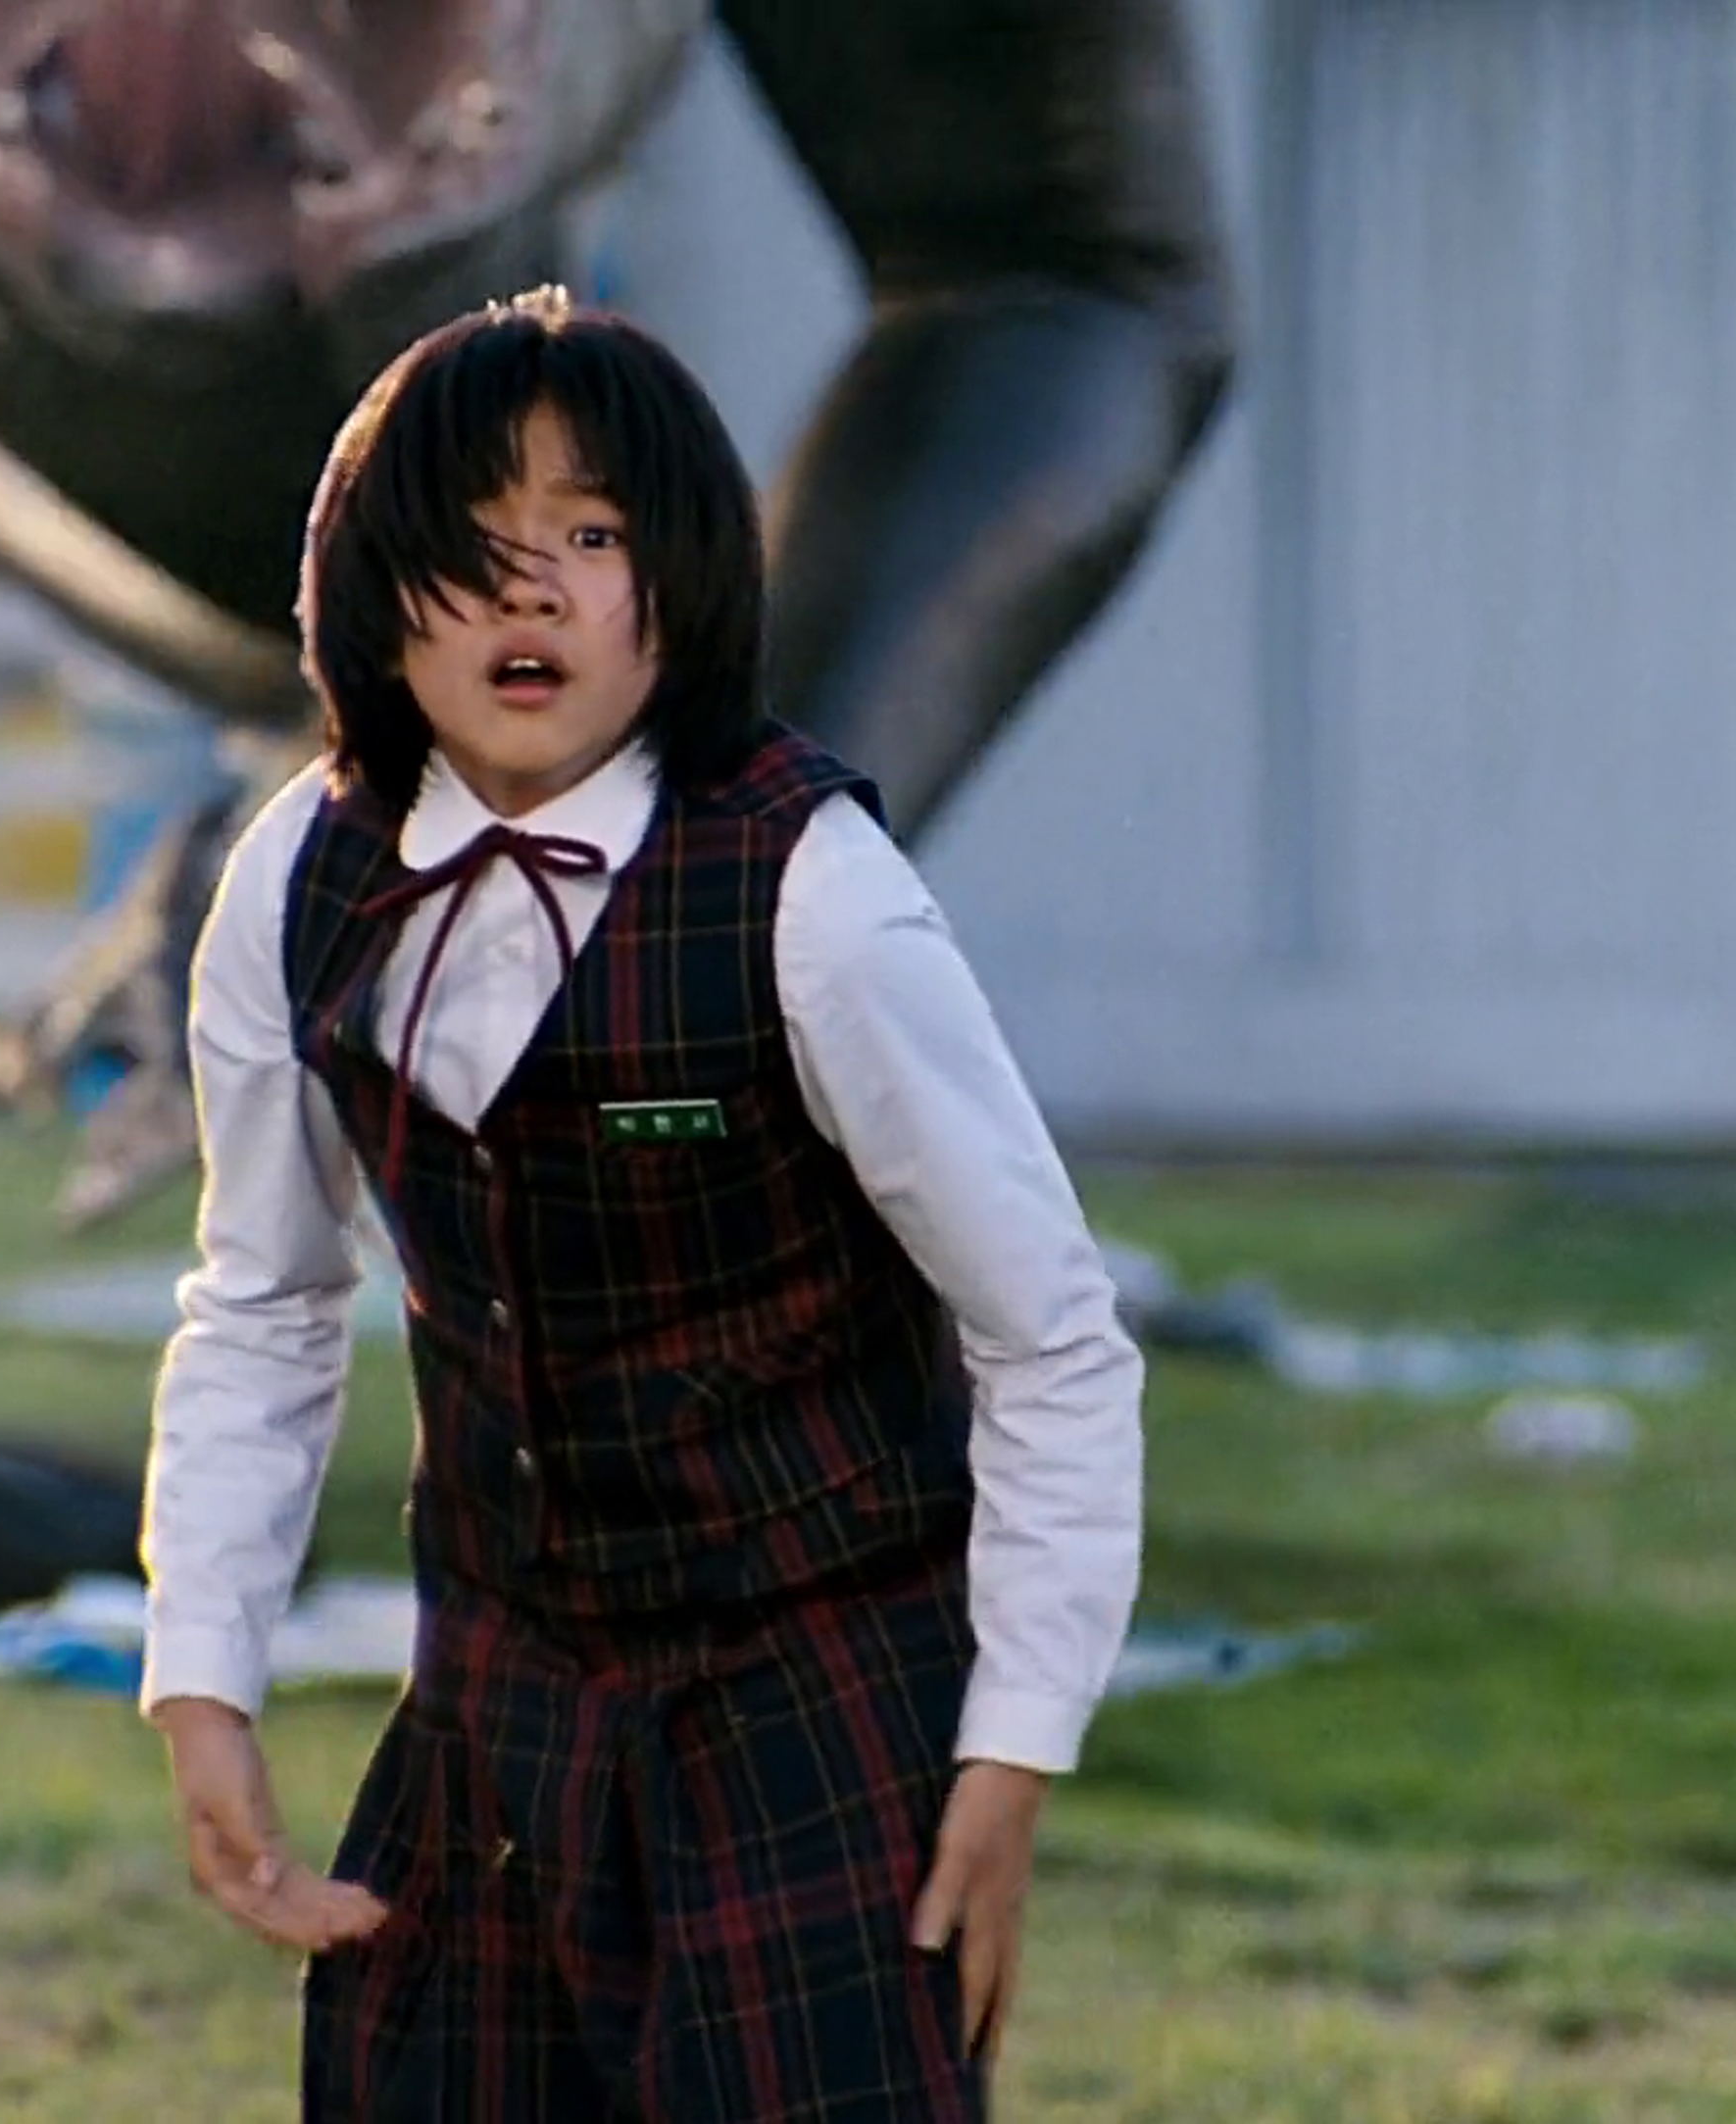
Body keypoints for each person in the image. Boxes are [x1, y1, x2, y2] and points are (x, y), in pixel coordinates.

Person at [137, 285, 1148, 2120]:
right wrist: (203, 1676)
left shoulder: (815, 892)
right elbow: (265, 1301)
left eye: (593, 537)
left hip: (814, 1695)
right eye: (475, 538)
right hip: (498, 1694)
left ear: (675, 589)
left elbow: (1053, 1338)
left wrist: (1011, 1750)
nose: (531, 591)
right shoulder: (298, 876)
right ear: (371, 589)